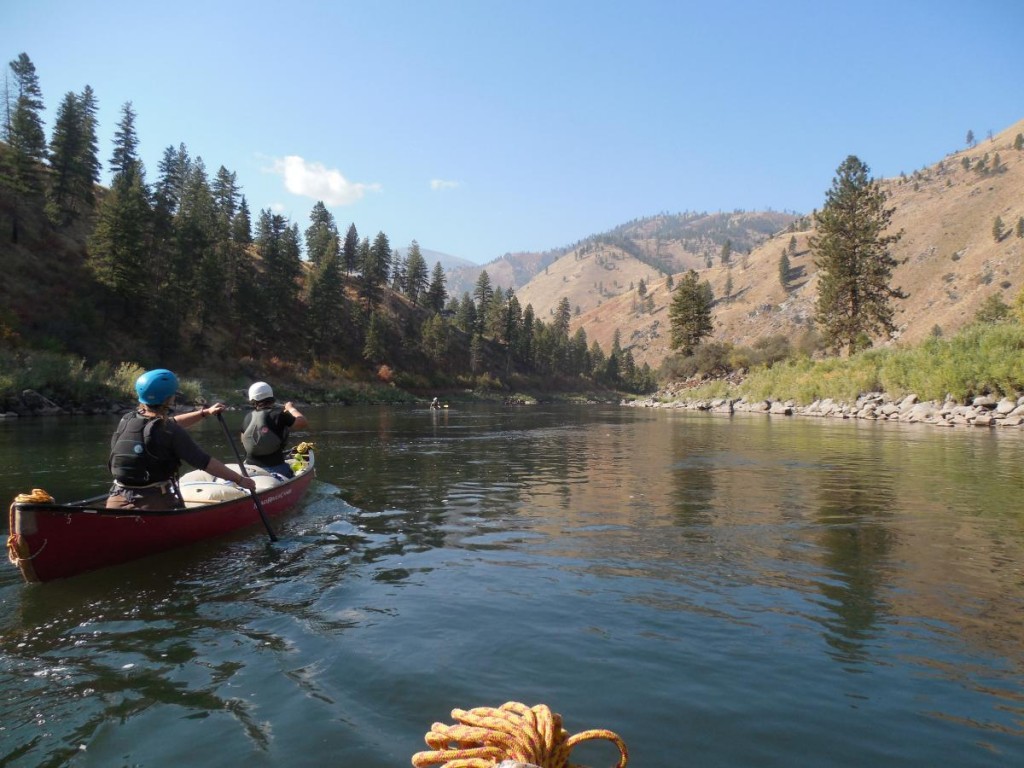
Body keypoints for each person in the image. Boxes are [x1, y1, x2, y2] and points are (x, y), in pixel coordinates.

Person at [107, 368, 256, 511]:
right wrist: (240, 480)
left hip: (116, 499)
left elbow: (170, 423)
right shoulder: (169, 431)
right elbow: (205, 462)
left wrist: (205, 413)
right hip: (154, 502)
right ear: (168, 398)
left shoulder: (127, 419)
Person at [240, 381, 308, 477]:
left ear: (253, 400)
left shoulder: (247, 417)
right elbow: (302, 422)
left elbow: (243, 441)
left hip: (250, 467)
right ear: (271, 398)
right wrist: (290, 408)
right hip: (276, 467)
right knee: (297, 468)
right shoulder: (279, 415)